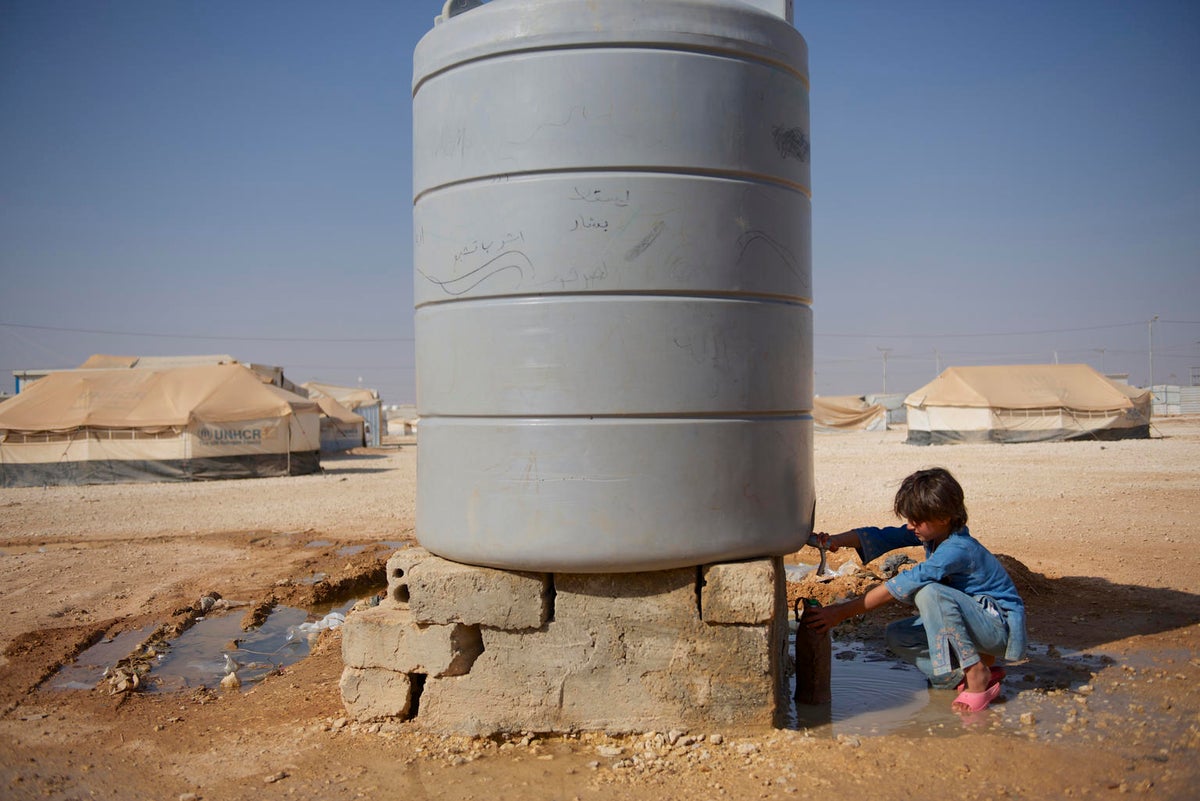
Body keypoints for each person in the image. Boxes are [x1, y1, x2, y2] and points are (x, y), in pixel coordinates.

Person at [805, 467, 1026, 714]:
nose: (910, 526)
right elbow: (882, 536)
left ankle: (976, 675)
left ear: (943, 517)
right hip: (976, 622)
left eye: (916, 520)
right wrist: (835, 540)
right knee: (899, 636)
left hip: (998, 628)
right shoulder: (934, 534)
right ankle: (960, 675)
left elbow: (899, 586)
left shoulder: (957, 549)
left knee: (929, 592)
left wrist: (839, 613)